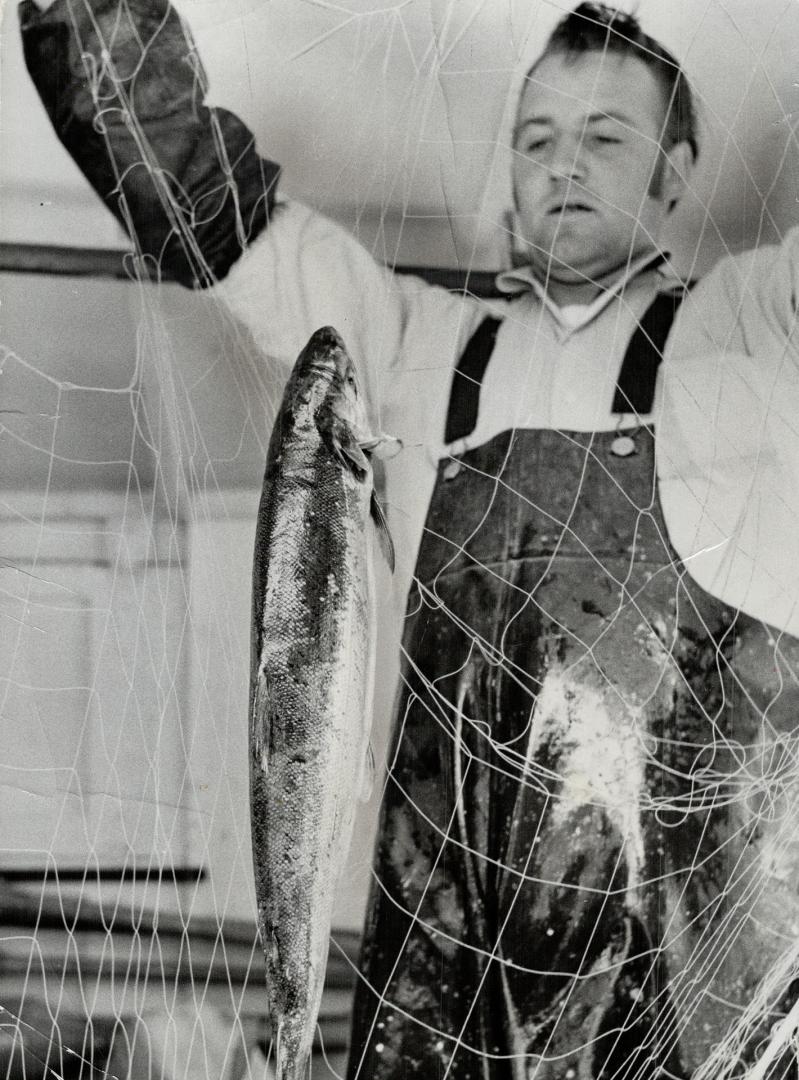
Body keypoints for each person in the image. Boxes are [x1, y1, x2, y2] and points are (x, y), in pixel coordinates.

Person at [19, 1, 799, 1076]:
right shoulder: (412, 345)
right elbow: (209, 204)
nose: (563, 163)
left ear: (672, 173)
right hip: (445, 966)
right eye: (536, 138)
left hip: (690, 988)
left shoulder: (758, 321)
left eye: (606, 136)